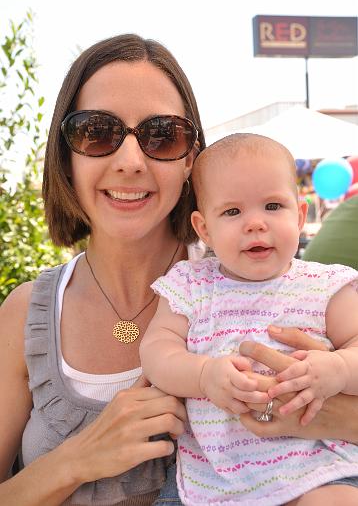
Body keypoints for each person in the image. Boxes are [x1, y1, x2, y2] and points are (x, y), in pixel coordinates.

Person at [0, 35, 357, 506]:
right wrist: (75, 461)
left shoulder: (280, 284)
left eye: (162, 136)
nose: (130, 162)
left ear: (191, 157)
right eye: (96, 132)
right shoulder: (28, 312)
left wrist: (338, 416)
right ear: (65, 153)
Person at [140, 134, 358, 505]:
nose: (255, 224)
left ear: (300, 215)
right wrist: (204, 376)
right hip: (214, 475)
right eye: (232, 212)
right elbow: (156, 351)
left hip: (317, 469)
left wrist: (338, 367)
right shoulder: (191, 285)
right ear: (204, 228)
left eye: (273, 206)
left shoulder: (325, 285)